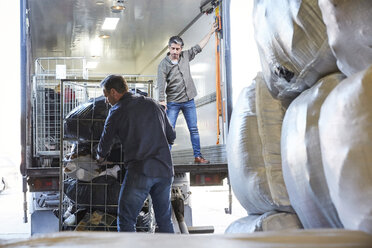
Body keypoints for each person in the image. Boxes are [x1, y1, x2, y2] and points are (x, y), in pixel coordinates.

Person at [95, 75, 176, 233]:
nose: (106, 101)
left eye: (106, 96)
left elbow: (105, 142)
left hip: (141, 171)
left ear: (113, 92)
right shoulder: (153, 103)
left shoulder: (116, 110)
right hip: (165, 170)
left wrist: (100, 157)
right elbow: (171, 136)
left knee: (126, 220)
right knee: (164, 220)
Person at [157, 22, 218, 164]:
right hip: (173, 103)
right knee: (169, 132)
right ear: (169, 47)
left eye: (177, 49)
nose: (175, 52)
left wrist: (210, 32)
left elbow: (198, 47)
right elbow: (161, 84)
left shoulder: (185, 56)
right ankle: (164, 160)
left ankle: (198, 156)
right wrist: (161, 100)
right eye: (172, 49)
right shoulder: (163, 65)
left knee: (194, 129)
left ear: (181, 48)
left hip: (189, 100)